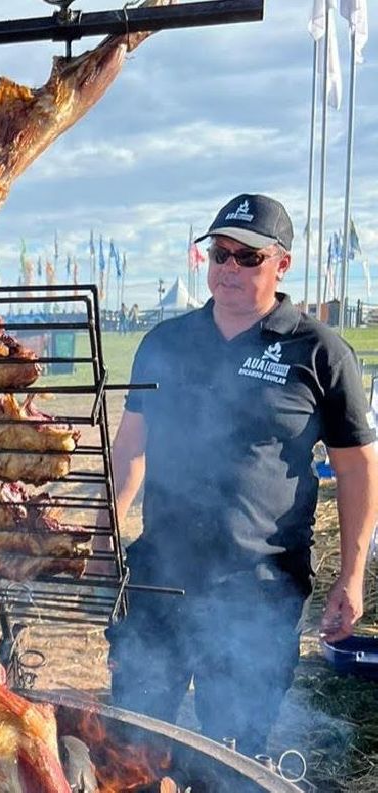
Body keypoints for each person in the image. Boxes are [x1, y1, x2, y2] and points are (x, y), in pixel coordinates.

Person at [105, 194, 378, 756]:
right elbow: (132, 447)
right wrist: (101, 532)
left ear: (281, 264)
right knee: (132, 741)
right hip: (160, 576)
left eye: (247, 257)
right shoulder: (165, 343)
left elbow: (356, 468)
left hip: (259, 588)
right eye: (220, 254)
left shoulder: (320, 352)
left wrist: (351, 575)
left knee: (229, 752)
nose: (229, 267)